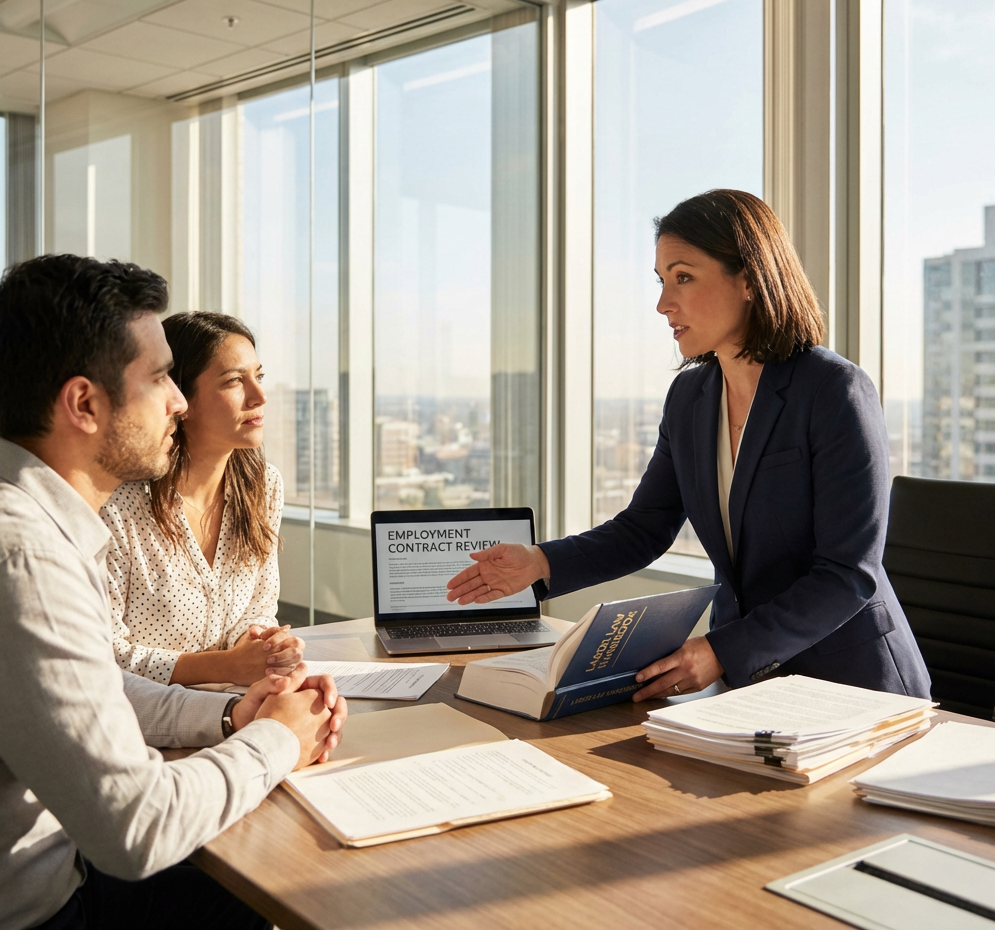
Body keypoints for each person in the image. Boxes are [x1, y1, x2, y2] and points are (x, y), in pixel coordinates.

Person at [447, 189, 930, 703]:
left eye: (683, 277)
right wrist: (539, 562)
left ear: (749, 279)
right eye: (661, 281)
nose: (663, 304)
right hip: (749, 688)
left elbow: (847, 574)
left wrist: (722, 650)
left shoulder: (834, 390)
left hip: (854, 685)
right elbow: (644, 528)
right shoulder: (690, 398)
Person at [0, 255, 347, 930]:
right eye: (160, 377)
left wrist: (232, 717)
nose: (179, 402)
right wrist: (279, 738)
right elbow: (137, 829)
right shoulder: (26, 557)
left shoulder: (40, 526)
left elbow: (91, 685)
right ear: (84, 404)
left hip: (67, 870)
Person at [101, 311, 300, 687]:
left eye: (258, 376)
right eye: (234, 381)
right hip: (147, 713)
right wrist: (226, 667)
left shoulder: (263, 486)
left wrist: (265, 646)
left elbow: (258, 609)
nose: (259, 396)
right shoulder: (119, 506)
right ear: (180, 398)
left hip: (238, 699)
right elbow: (107, 654)